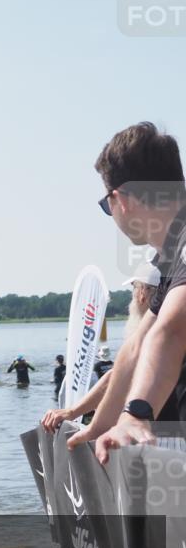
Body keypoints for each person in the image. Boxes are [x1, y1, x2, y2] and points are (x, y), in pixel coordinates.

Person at [64, 122, 186, 463]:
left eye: (107, 205)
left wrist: (135, 413)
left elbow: (172, 331)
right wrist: (99, 425)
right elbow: (137, 346)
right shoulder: (171, 254)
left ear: (122, 200)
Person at [41, 262, 162, 432]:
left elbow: (118, 377)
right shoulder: (173, 324)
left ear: (142, 293)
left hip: (162, 435)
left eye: (133, 288)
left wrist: (72, 412)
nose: (132, 296)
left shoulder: (153, 331)